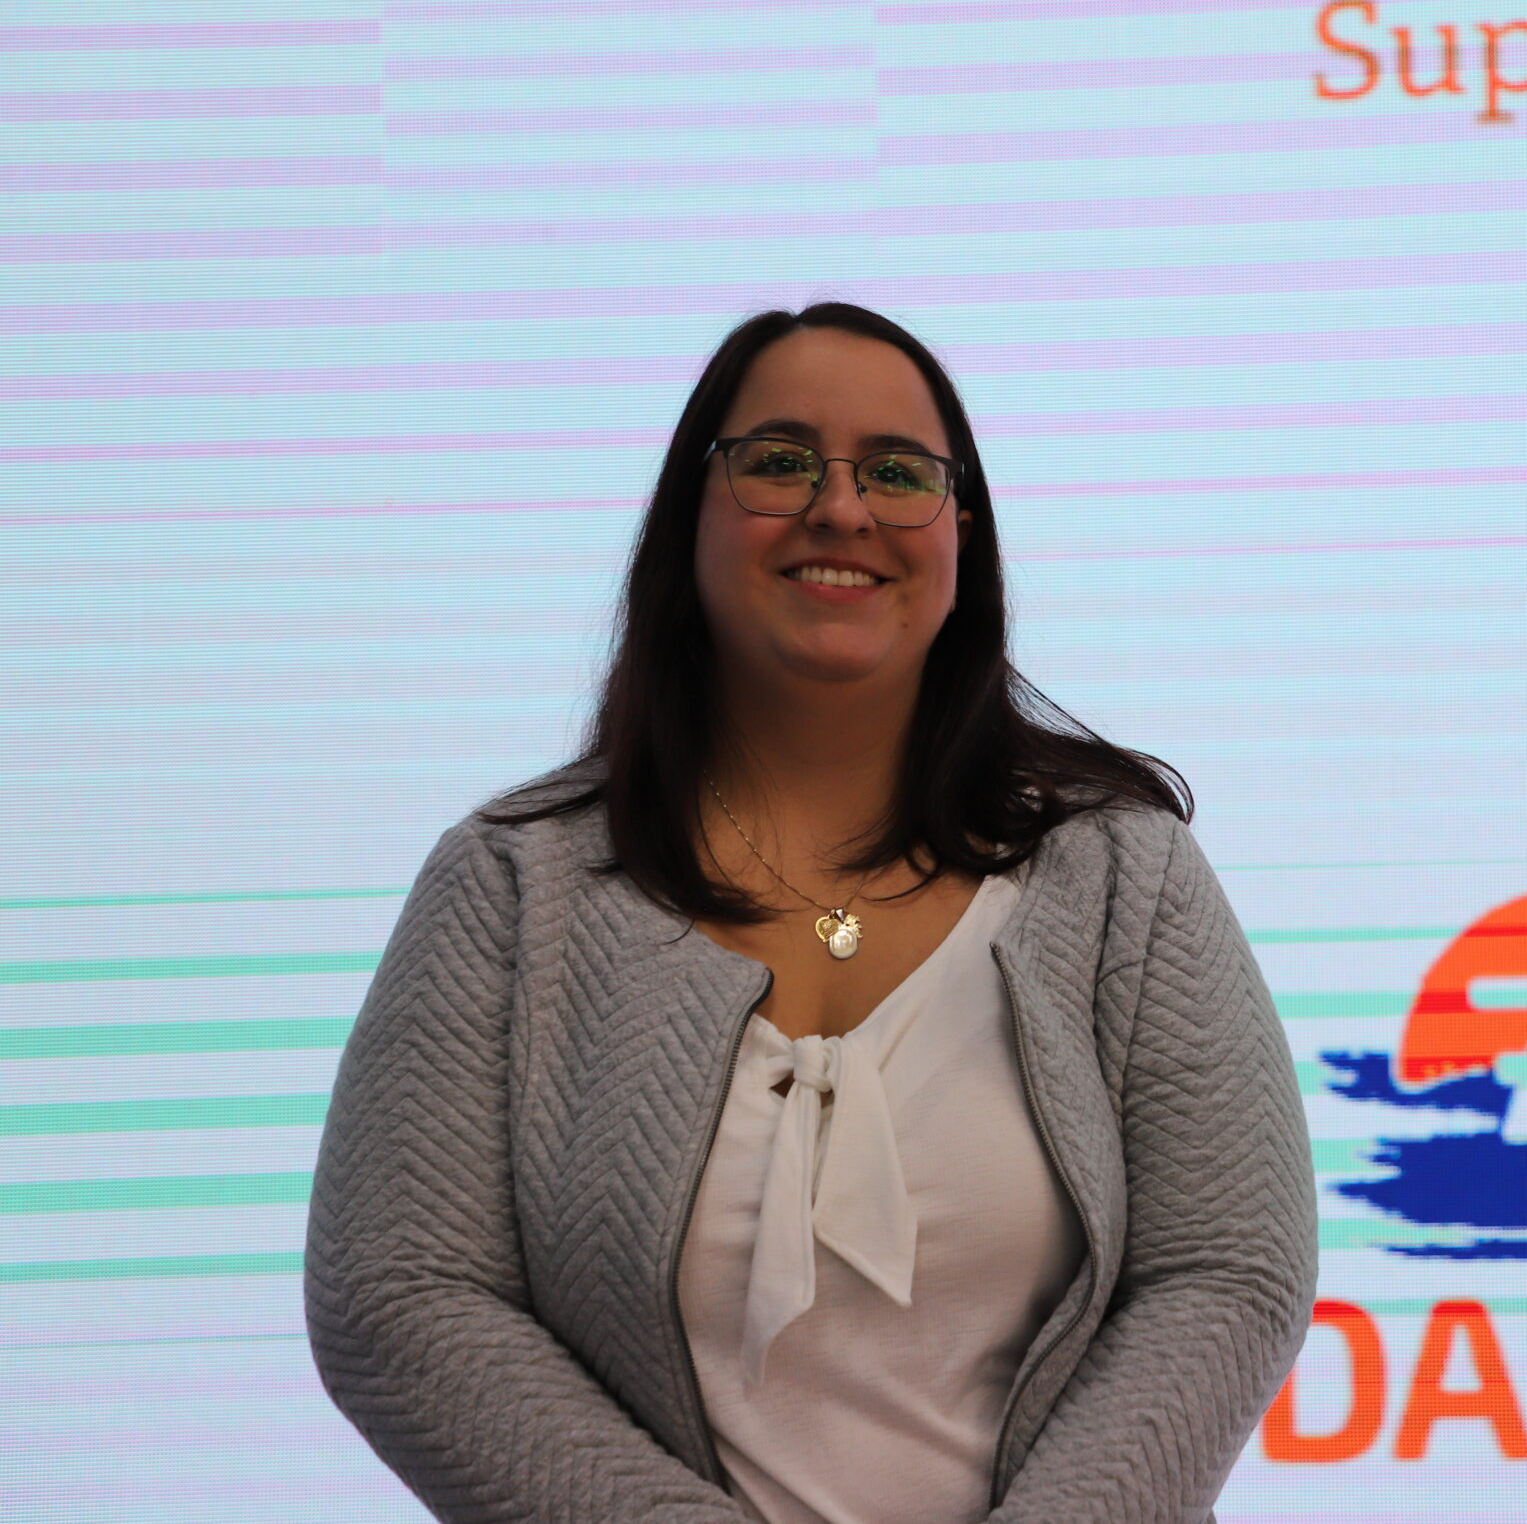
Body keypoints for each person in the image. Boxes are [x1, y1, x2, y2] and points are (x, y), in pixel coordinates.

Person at [305, 302, 1319, 1524]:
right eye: (780, 461)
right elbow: (398, 1298)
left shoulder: (1122, 874)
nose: (841, 509)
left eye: (898, 473)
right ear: (691, 513)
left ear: (960, 535)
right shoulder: (508, 885)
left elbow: (1229, 1271)